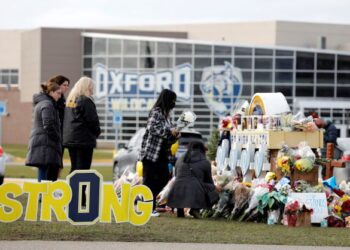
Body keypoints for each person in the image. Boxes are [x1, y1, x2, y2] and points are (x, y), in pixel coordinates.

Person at [139, 89, 179, 217]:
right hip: (151, 154)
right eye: (173, 100)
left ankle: (150, 206)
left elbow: (169, 137)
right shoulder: (156, 112)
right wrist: (169, 131)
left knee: (162, 179)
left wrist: (175, 135)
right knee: (149, 181)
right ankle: (147, 208)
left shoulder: (167, 116)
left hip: (162, 154)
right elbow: (152, 128)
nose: (174, 103)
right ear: (167, 100)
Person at [63, 76, 101, 207]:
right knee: (83, 170)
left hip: (71, 140)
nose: (92, 90)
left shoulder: (70, 101)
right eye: (91, 87)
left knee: (74, 169)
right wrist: (97, 132)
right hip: (83, 141)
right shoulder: (86, 101)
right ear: (87, 87)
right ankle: (81, 199)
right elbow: (93, 121)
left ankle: (70, 197)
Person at [167, 141, 221, 218]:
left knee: (183, 182)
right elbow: (209, 181)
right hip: (195, 191)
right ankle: (195, 209)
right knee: (212, 189)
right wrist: (215, 187)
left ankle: (180, 209)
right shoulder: (205, 162)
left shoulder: (180, 159)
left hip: (176, 190)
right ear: (202, 150)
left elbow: (176, 175)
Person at [25, 81, 62, 182]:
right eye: (58, 93)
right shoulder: (47, 104)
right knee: (43, 174)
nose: (59, 96)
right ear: (51, 92)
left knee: (43, 173)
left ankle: (42, 197)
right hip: (45, 144)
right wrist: (57, 138)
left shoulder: (44, 103)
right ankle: (41, 198)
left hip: (44, 143)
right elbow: (48, 124)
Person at [48, 75, 70, 174]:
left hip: (61, 135)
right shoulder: (54, 100)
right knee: (54, 164)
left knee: (58, 164)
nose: (66, 87)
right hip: (56, 135)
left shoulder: (62, 99)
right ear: (58, 85)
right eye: (64, 85)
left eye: (68, 85)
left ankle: (54, 183)